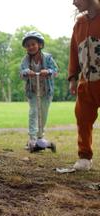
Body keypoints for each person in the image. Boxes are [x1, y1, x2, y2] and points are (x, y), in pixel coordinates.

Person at [68, 0, 100, 171]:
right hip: (86, 82)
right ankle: (84, 156)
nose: (73, 3)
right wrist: (72, 77)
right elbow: (74, 51)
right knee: (82, 118)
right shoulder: (79, 24)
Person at [19, 31, 58, 151]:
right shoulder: (25, 60)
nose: (30, 47)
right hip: (33, 91)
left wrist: (48, 71)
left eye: (33, 44)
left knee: (43, 114)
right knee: (33, 112)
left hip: (46, 91)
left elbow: (55, 70)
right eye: (28, 45)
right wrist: (26, 72)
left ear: (40, 45)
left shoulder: (47, 58)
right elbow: (21, 73)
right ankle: (32, 138)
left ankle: (40, 136)